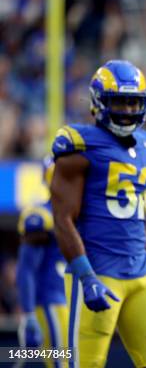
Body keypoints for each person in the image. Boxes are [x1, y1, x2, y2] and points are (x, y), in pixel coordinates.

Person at [50, 60, 146, 367]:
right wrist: (85, 275)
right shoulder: (79, 144)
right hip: (98, 272)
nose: (128, 110)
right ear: (99, 102)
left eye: (134, 102)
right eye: (120, 101)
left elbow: (136, 213)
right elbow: (63, 219)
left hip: (141, 272)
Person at [16, 156, 68, 367]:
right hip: (51, 302)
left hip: (71, 302)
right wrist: (28, 314)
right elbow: (26, 269)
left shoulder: (78, 213)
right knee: (61, 364)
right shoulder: (41, 215)